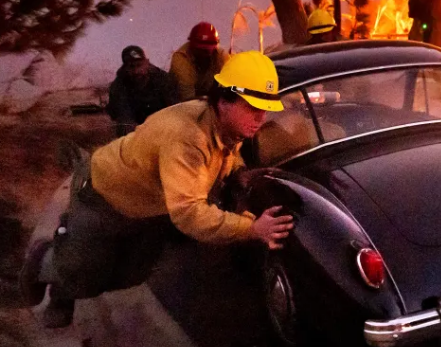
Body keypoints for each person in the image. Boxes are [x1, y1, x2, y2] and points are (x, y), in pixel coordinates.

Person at [37, 51, 295, 328]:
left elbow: (226, 154)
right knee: (83, 273)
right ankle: (46, 263)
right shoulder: (187, 137)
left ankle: (70, 260)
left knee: (132, 275)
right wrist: (251, 229)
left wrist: (239, 172)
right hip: (103, 193)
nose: (261, 118)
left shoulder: (227, 124)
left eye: (265, 109)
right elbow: (188, 213)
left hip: (148, 204)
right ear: (223, 101)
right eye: (253, 108)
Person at [106, 45, 175, 137]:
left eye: (139, 65)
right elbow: (123, 115)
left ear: (147, 63)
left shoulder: (163, 79)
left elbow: (173, 108)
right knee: (124, 126)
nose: (136, 71)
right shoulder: (118, 86)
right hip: (136, 130)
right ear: (125, 68)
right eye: (131, 66)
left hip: (161, 125)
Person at [169, 21, 228, 102]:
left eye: (207, 50)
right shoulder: (181, 60)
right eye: (201, 49)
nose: (204, 54)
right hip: (179, 104)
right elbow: (187, 100)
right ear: (192, 46)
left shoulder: (221, 56)